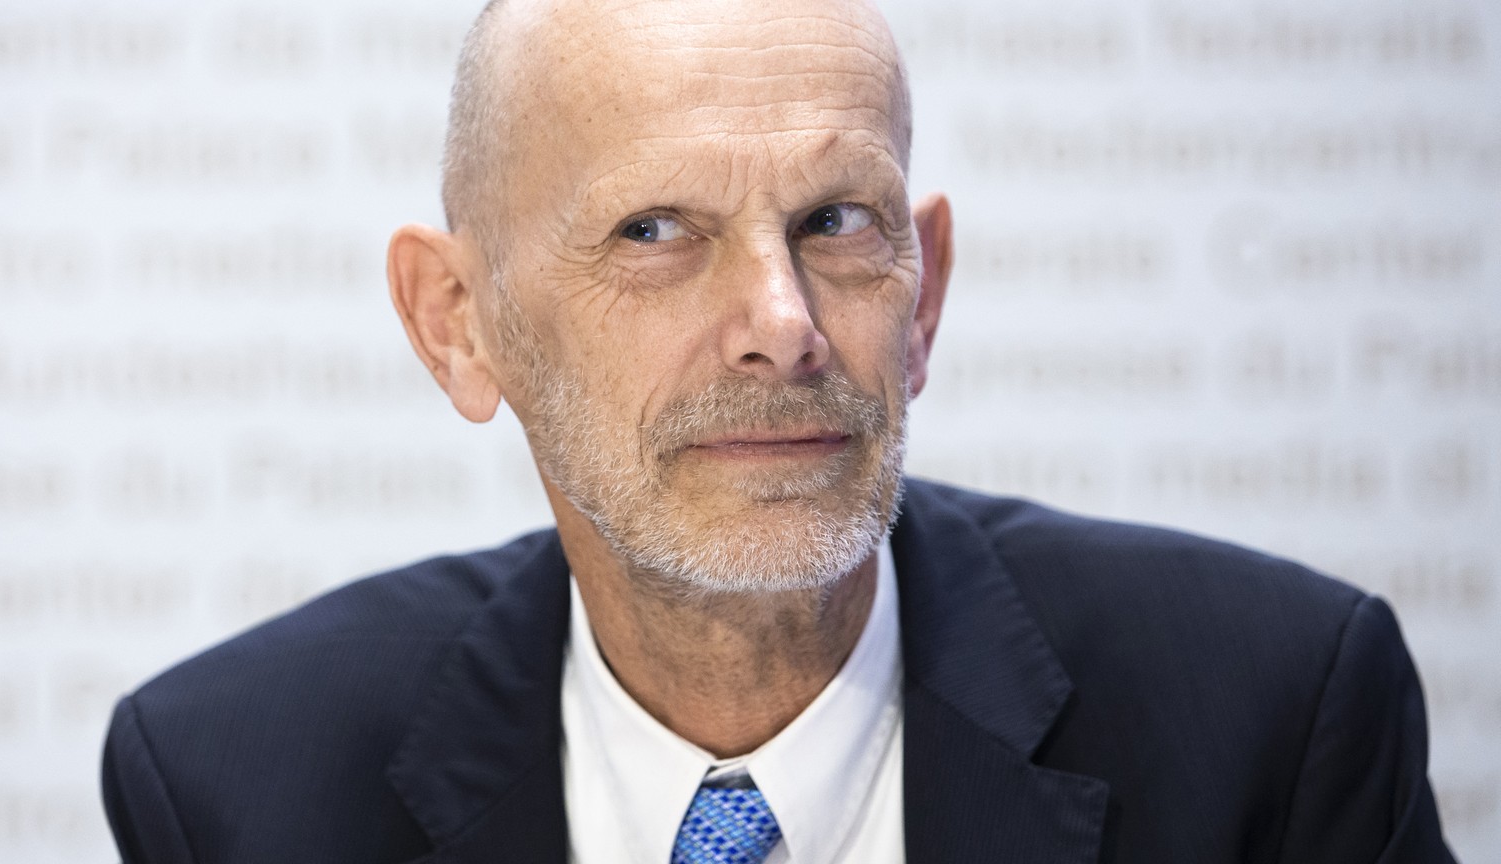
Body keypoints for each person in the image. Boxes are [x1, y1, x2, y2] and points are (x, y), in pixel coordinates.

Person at [100, 0, 1459, 861]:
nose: (781, 323)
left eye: (835, 224)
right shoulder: (237, 791)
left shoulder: (1276, 727)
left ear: (921, 297)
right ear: (459, 321)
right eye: (654, 231)